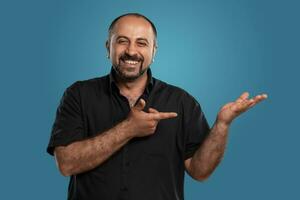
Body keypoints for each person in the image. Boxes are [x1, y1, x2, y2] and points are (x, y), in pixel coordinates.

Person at [47, 13, 267, 200]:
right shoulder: (79, 94)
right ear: (108, 47)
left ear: (154, 51)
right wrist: (128, 129)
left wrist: (222, 125)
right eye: (122, 41)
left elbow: (200, 171)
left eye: (141, 43)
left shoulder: (182, 101)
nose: (131, 51)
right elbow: (66, 164)